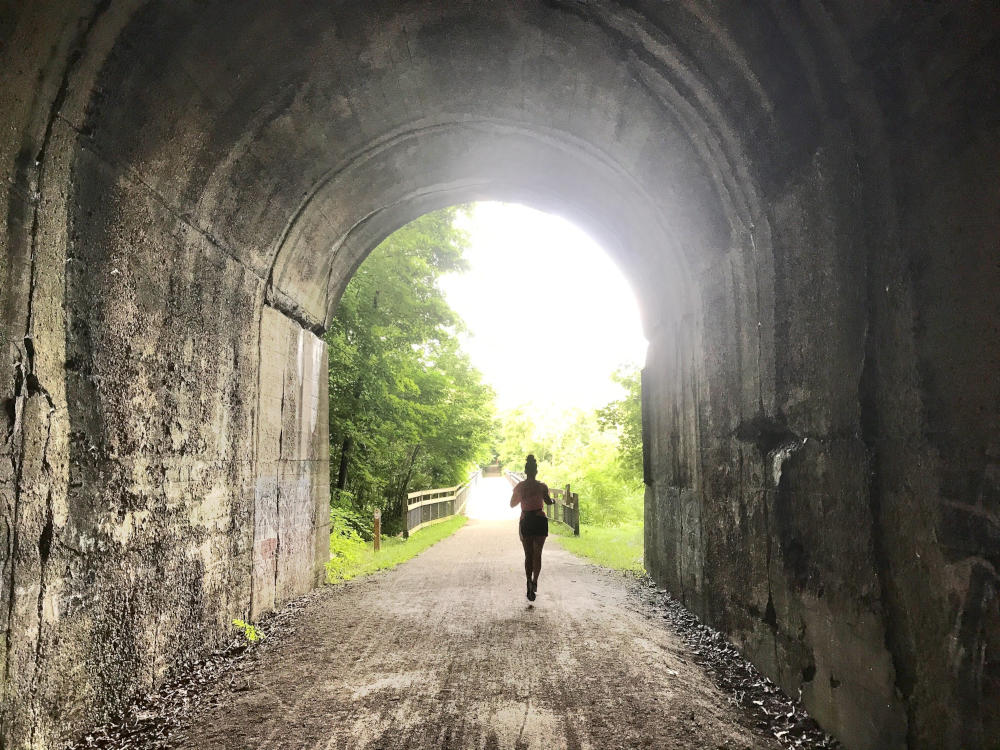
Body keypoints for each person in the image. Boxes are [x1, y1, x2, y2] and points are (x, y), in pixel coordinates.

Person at [509, 454, 553, 601]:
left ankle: (528, 580)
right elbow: (548, 502)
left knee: (528, 555)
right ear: (536, 472)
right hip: (540, 520)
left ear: (525, 471)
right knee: (538, 554)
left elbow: (512, 504)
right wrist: (550, 499)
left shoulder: (520, 487)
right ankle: (535, 582)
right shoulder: (542, 486)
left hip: (526, 520)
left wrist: (522, 497)